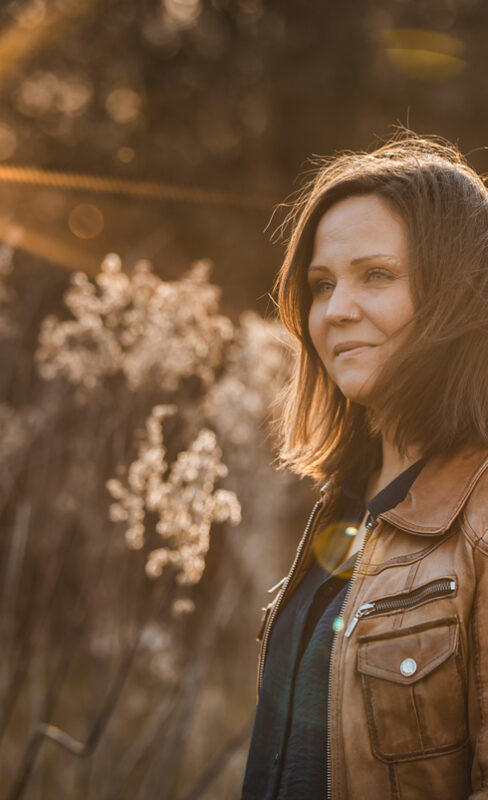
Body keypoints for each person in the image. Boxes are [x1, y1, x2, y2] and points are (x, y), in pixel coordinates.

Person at [241, 133, 488, 799]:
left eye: (376, 275)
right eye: (321, 284)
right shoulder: (342, 501)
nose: (336, 310)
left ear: (456, 296)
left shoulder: (482, 520)